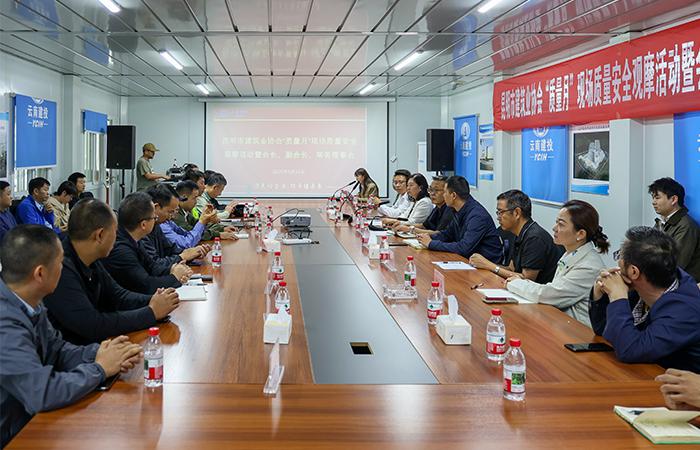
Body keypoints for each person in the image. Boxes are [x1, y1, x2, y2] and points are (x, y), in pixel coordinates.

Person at [0, 225, 142, 447]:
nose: (63, 268)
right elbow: (41, 393)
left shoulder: (29, 302)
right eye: (60, 262)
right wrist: (100, 369)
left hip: (28, 422)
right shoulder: (5, 323)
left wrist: (101, 353)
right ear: (40, 274)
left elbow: (57, 350)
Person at [43, 198, 180, 344]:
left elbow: (118, 296)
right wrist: (151, 313)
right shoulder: (59, 268)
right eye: (115, 232)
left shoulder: (91, 258)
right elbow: (92, 324)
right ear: (100, 235)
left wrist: (154, 301)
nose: (117, 238)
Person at [590, 226, 700, 370]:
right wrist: (600, 292)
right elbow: (605, 330)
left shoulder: (684, 312)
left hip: (671, 380)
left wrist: (618, 297)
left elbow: (630, 350)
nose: (617, 262)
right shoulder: (650, 282)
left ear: (634, 271)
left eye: (619, 255)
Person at [504, 200, 608, 326]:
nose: (554, 228)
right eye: (556, 222)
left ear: (580, 234)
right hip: (561, 322)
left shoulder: (589, 267)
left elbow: (549, 295)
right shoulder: (570, 253)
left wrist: (515, 283)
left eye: (561, 224)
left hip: (578, 331)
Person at [104, 192, 192, 295]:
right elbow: (146, 285)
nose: (155, 221)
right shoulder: (121, 250)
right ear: (143, 224)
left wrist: (172, 269)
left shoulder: (135, 239)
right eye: (154, 218)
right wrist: (174, 277)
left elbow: (153, 267)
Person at [470, 190, 563, 284]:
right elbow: (511, 269)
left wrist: (489, 265)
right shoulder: (518, 233)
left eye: (501, 212)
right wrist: (483, 264)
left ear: (517, 213)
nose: (498, 217)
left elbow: (527, 280)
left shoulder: (534, 238)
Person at [416, 176, 502, 262]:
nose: (443, 195)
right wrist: (427, 237)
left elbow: (464, 248)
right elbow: (447, 234)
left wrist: (431, 243)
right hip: (468, 260)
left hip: (486, 264)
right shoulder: (457, 210)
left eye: (445, 192)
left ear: (453, 195)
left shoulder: (477, 216)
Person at [143, 184, 209, 267]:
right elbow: (155, 265)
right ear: (156, 207)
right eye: (170, 212)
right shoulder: (142, 231)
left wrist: (192, 253)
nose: (172, 217)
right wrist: (182, 257)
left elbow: (171, 250)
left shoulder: (157, 226)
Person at [648, 177, 700, 281]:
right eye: (653, 198)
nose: (653, 202)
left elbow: (676, 263)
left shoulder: (686, 226)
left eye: (657, 198)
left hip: (681, 284)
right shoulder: (661, 223)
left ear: (673, 199)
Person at [171, 181, 239, 242]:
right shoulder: (175, 213)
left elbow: (198, 224)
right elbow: (193, 232)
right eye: (194, 198)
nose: (196, 201)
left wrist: (222, 228)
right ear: (184, 197)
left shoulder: (185, 212)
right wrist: (219, 234)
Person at [160, 182, 220, 248]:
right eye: (195, 198)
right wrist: (203, 222)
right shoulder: (164, 223)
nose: (173, 216)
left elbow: (188, 233)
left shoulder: (171, 220)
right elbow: (186, 243)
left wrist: (207, 220)